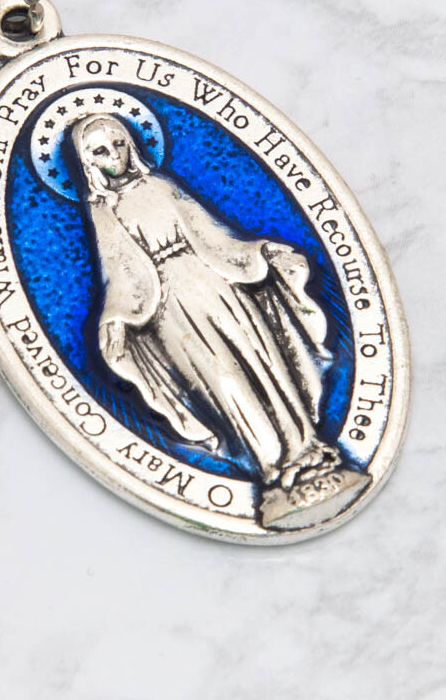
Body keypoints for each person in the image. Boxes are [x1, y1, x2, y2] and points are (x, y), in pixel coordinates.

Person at [71, 114, 342, 493]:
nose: (114, 155)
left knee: (262, 360)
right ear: (88, 162)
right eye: (100, 151)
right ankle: (271, 465)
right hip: (169, 309)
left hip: (216, 284)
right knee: (222, 379)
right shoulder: (104, 209)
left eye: (119, 143)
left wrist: (261, 252)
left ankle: (306, 447)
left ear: (131, 144)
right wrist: (116, 319)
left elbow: (212, 235)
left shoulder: (161, 186)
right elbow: (119, 270)